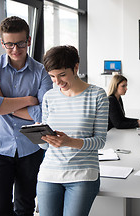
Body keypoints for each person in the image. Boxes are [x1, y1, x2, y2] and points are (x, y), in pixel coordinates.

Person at [0, 16, 53, 215]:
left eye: (20, 43)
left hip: (30, 149)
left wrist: (5, 102)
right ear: (2, 43)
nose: (15, 50)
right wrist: (29, 100)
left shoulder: (41, 72)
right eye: (9, 44)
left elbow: (45, 113)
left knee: (25, 208)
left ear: (28, 41)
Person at [37, 45, 109, 216]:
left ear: (76, 67)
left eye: (62, 75)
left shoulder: (97, 95)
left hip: (82, 175)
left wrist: (69, 142)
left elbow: (100, 141)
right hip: (50, 173)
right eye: (52, 77)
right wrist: (41, 136)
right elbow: (45, 148)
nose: (58, 82)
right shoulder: (49, 97)